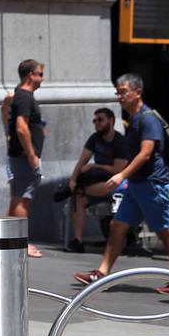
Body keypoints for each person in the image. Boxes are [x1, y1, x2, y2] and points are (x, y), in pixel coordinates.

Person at [74, 73, 169, 285]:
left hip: (153, 184)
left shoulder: (148, 118)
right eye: (118, 92)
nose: (119, 96)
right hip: (137, 184)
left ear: (138, 92)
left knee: (164, 233)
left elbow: (146, 153)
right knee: (117, 226)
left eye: (123, 91)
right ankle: (101, 274)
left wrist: (121, 175)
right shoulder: (134, 119)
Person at [55, 107, 128, 254]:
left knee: (107, 185)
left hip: (115, 182)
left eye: (100, 119)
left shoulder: (120, 141)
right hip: (95, 183)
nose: (97, 123)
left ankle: (74, 190)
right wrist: (73, 181)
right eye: (95, 120)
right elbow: (82, 162)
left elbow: (118, 169)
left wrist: (95, 165)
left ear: (111, 121)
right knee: (78, 197)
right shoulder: (94, 138)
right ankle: (77, 240)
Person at [5, 60, 46, 258]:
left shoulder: (21, 96)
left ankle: (7, 238)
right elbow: (22, 127)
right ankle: (21, 243)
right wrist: (31, 155)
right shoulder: (24, 97)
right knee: (23, 199)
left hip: (20, 156)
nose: (42, 78)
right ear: (30, 75)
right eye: (40, 73)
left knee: (17, 198)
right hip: (24, 157)